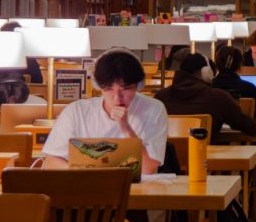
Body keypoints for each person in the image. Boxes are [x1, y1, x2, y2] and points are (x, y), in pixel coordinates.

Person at [40, 49, 168, 175]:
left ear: (139, 85)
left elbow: (148, 169)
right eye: (108, 89)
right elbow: (50, 162)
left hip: (136, 191)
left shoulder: (153, 109)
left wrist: (126, 128)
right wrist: (82, 173)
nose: (117, 96)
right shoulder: (76, 111)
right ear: (98, 86)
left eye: (126, 88)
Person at [155, 52, 256, 141]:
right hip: (201, 162)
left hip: (165, 164)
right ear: (207, 73)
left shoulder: (160, 98)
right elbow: (250, 127)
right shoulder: (218, 97)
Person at [213, 45, 256, 113]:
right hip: (243, 123)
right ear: (239, 64)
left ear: (216, 63)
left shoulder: (208, 87)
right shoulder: (249, 88)